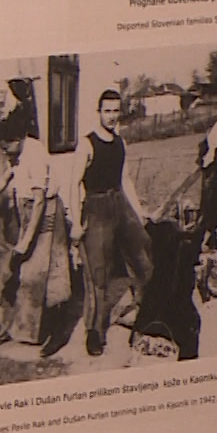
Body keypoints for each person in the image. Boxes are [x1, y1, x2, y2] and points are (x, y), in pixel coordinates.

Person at [74, 89, 154, 358]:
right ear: (98, 112)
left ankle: (145, 314)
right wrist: (76, 223)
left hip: (119, 204)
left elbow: (125, 180)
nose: (111, 116)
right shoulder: (87, 144)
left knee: (144, 257)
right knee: (99, 274)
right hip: (96, 209)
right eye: (106, 111)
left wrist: (138, 213)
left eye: (115, 111)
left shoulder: (120, 142)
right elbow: (74, 184)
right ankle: (94, 331)